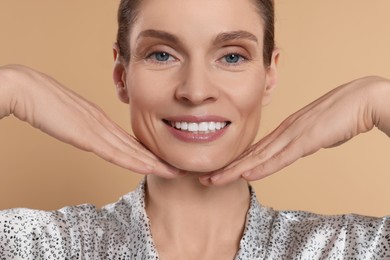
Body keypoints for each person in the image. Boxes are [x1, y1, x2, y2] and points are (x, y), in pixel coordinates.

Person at [1, 0, 390, 259]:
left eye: (232, 56)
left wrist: (377, 99)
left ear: (269, 76)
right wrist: (12, 88)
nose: (196, 91)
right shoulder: (49, 245)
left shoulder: (344, 249)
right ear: (122, 76)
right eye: (162, 54)